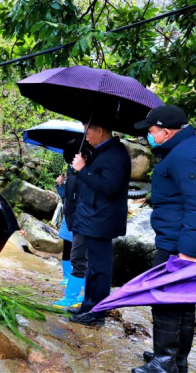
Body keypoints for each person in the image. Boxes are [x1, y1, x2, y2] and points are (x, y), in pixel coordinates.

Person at [132, 105, 196, 373]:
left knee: (164, 296)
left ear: (165, 131)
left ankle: (164, 361)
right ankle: (175, 358)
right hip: (180, 236)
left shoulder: (187, 155)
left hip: (179, 242)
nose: (148, 137)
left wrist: (187, 253)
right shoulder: (187, 148)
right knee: (182, 300)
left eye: (150, 132)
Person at [68, 119, 131, 326]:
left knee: (100, 269)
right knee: (92, 266)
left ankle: (96, 313)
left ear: (101, 130)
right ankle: (88, 306)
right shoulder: (103, 151)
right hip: (94, 217)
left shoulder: (115, 154)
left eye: (87, 133)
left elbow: (109, 188)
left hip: (102, 220)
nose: (85, 137)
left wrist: (83, 169)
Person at [53, 139, 92, 309]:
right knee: (76, 256)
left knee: (79, 259)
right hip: (74, 222)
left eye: (72, 160)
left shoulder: (87, 174)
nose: (71, 164)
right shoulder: (74, 174)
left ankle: (73, 296)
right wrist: (60, 185)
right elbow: (67, 198)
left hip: (82, 222)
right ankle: (78, 293)